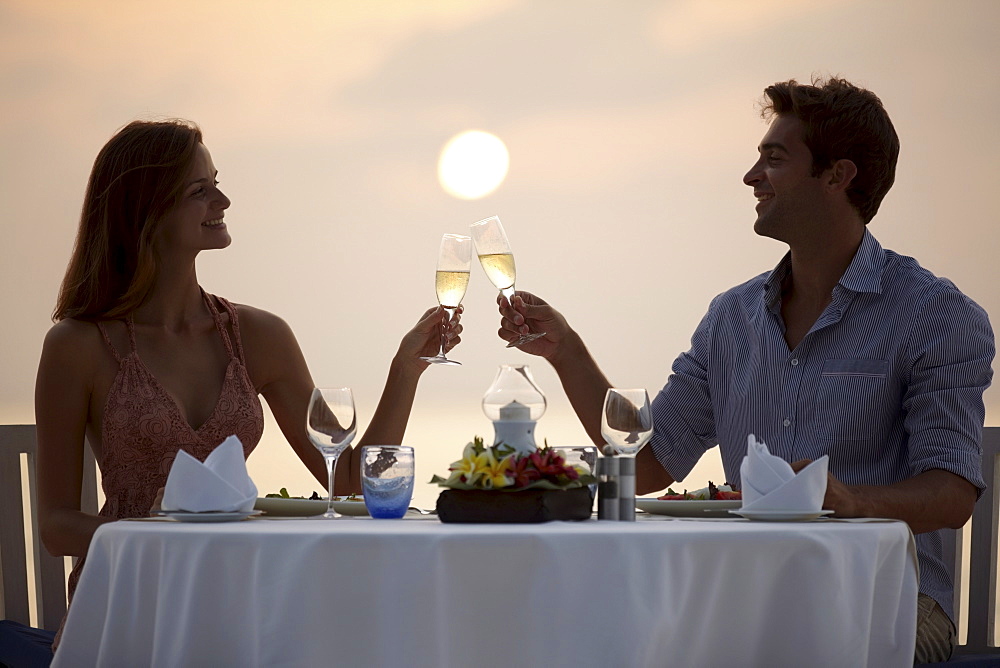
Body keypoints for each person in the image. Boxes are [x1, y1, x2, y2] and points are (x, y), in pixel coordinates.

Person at [497, 77, 994, 663]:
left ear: (838, 176)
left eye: (774, 160)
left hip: (887, 600)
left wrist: (846, 501)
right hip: (739, 593)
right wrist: (567, 352)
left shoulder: (936, 314)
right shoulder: (730, 318)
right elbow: (651, 460)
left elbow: (951, 493)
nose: (751, 176)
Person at [29, 119, 461, 653]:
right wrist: (155, 532)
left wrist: (405, 369)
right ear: (145, 210)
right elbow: (54, 528)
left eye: (217, 182)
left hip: (241, 599)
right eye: (200, 191)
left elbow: (347, 478)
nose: (224, 199)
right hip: (131, 600)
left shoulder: (259, 336)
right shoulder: (77, 345)